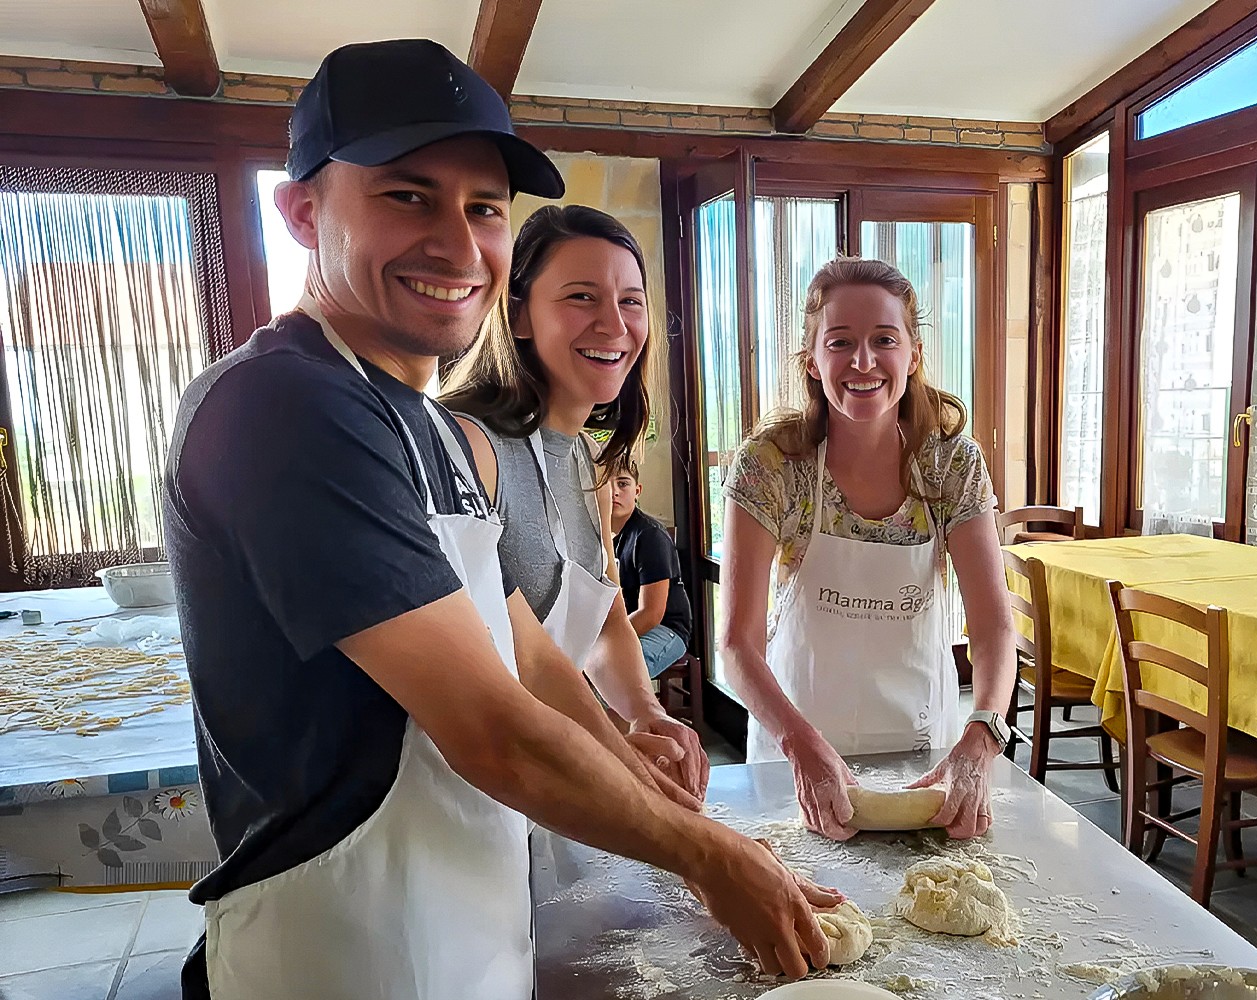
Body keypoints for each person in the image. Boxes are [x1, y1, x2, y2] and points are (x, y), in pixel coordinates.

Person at [163, 39, 832, 1000]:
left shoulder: (432, 428)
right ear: (303, 211)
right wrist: (712, 861)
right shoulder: (282, 408)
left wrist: (689, 818)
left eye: (483, 208)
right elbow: (491, 728)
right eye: (407, 195)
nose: (455, 240)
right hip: (341, 949)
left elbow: (533, 662)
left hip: (464, 927)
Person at [720, 258, 1018, 843]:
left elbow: (993, 628)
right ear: (812, 360)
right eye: (840, 342)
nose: (863, 362)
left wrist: (981, 736)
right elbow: (736, 643)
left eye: (884, 340)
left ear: (913, 355)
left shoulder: (950, 462)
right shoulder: (773, 464)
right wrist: (797, 744)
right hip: (796, 752)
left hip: (923, 753)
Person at [441, 204, 708, 798]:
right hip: (469, 784)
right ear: (519, 316)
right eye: (582, 297)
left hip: (556, 783)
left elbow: (609, 623)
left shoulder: (587, 458)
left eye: (631, 300)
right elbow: (516, 661)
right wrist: (627, 770)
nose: (614, 325)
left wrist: (645, 711)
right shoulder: (466, 446)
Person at [606, 460, 694, 678]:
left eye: (623, 484)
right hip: (625, 627)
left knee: (619, 676)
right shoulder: (601, 535)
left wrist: (608, 640)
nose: (614, 492)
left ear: (637, 491)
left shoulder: (649, 536)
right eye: (606, 485)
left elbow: (651, 613)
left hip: (666, 629)